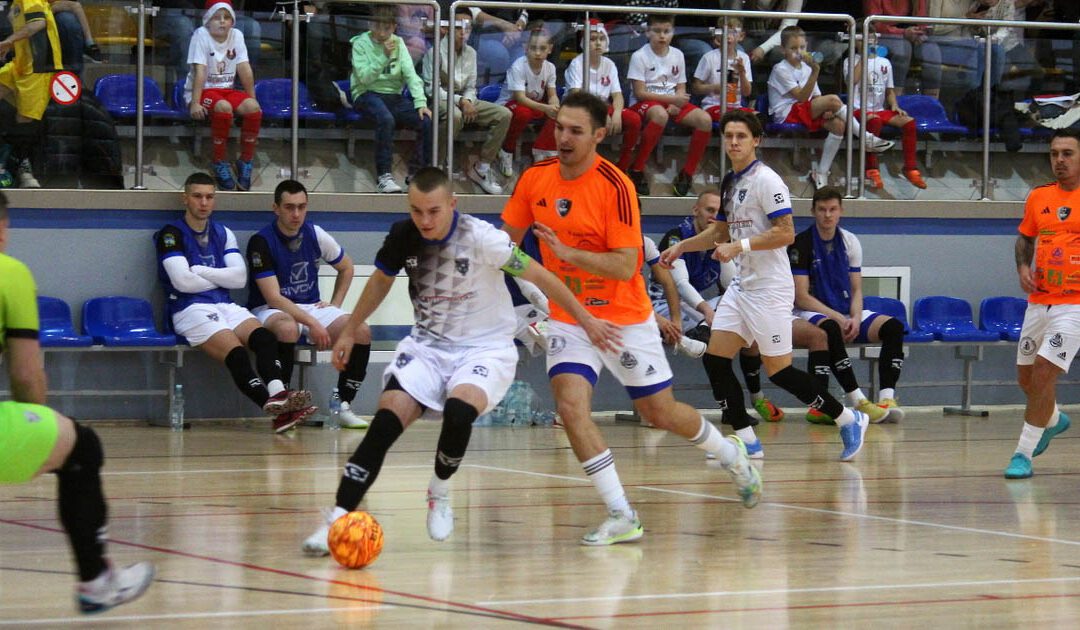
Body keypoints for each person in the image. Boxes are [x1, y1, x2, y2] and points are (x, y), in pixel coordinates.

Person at [302, 167, 623, 552]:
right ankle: (337, 518)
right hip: (427, 347)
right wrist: (352, 328)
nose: (424, 220)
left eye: (433, 211)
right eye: (417, 211)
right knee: (384, 425)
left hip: (484, 349)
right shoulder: (403, 235)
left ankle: (439, 491)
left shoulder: (484, 238)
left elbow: (542, 276)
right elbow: (380, 281)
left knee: (458, 412)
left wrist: (584, 318)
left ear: (453, 204)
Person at [502, 91, 762, 546]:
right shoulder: (534, 179)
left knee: (658, 412)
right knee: (570, 408)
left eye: (575, 131)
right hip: (569, 318)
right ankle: (621, 514)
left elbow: (626, 265)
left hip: (624, 318)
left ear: (599, 135)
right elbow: (505, 247)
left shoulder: (616, 186)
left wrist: (567, 254)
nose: (563, 137)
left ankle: (730, 453)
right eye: (560, 127)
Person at [660, 109, 871, 462]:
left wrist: (738, 247)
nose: (733, 142)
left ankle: (848, 418)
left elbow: (785, 232)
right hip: (743, 287)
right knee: (716, 359)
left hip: (771, 289)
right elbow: (719, 232)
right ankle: (747, 439)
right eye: (728, 136)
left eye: (741, 136)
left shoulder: (768, 181)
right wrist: (682, 246)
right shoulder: (730, 181)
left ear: (756, 140)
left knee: (781, 372)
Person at [0, 191, 156, 613]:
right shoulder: (9, 273)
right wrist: (43, 426)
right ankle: (96, 581)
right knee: (81, 446)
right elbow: (26, 373)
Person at [155, 172, 315, 433]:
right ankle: (277, 411)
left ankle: (279, 395)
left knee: (264, 340)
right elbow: (182, 282)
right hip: (189, 307)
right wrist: (220, 278)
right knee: (237, 353)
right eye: (197, 196)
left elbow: (239, 279)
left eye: (209, 196)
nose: (204, 202)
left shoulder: (223, 233)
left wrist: (201, 272)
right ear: (185, 199)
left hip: (224, 303)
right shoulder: (170, 234)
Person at [246, 179, 373, 429]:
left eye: (301, 207)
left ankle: (343, 404)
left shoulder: (315, 233)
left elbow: (346, 267)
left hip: (311, 305)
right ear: (276, 208)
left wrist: (334, 305)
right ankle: (285, 404)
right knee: (287, 328)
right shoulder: (261, 241)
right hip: (271, 309)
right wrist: (312, 322)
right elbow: (273, 297)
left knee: (361, 330)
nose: (296, 214)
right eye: (290, 207)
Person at [655, 190, 786, 425]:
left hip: (696, 309)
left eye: (719, 212)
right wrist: (707, 311)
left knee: (744, 325)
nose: (714, 216)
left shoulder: (720, 240)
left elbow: (731, 283)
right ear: (696, 210)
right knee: (715, 340)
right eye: (709, 210)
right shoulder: (677, 237)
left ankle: (756, 397)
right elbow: (680, 285)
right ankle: (729, 407)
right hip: (667, 305)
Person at [1004, 128, 1080, 479]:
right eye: (1054, 154)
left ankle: (1023, 454)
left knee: (1045, 372)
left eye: (1067, 153)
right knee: (1027, 378)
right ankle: (1052, 419)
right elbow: (1025, 238)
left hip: (1075, 306)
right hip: (1039, 302)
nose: (1059, 160)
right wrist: (1022, 266)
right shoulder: (1038, 197)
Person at [789, 186, 902, 423]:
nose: (827, 215)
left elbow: (857, 289)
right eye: (822, 210)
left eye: (832, 209)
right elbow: (801, 296)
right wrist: (841, 319)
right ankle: (858, 400)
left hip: (844, 310)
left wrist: (856, 318)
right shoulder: (800, 244)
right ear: (813, 211)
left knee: (893, 327)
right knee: (829, 329)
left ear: (841, 211)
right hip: (810, 311)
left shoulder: (850, 241)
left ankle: (887, 398)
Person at [767, 25, 893, 190]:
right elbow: (801, 97)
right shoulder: (780, 69)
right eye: (793, 48)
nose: (799, 52)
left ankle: (821, 172)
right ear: (783, 50)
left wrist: (825, 109)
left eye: (802, 47)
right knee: (834, 99)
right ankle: (865, 138)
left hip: (805, 109)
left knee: (838, 125)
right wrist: (815, 72)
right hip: (786, 112)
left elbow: (816, 96)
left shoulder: (806, 67)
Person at [421, 11, 511, 195]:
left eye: (468, 28)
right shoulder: (434, 52)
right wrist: (460, 101)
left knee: (504, 114)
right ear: (448, 28)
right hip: (441, 99)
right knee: (455, 115)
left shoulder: (471, 53)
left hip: (465, 99)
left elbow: (471, 86)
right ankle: (438, 167)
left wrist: (467, 100)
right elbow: (432, 90)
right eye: (460, 27)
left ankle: (482, 168)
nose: (464, 32)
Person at [626, 13, 714, 197]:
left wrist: (678, 102)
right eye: (657, 31)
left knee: (704, 120)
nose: (662, 36)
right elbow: (639, 92)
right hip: (645, 103)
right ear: (647, 32)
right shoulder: (639, 55)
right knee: (660, 114)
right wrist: (673, 101)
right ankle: (637, 169)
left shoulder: (678, 54)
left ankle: (687, 174)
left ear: (673, 32)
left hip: (671, 101)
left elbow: (680, 87)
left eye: (667, 31)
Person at [351, 5, 432, 194]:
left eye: (386, 28)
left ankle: (417, 173)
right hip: (365, 93)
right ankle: (384, 176)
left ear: (394, 27)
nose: (381, 33)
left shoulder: (399, 43)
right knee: (386, 119)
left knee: (426, 121)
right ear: (370, 24)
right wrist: (383, 57)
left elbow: (411, 74)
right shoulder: (360, 43)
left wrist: (420, 102)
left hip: (393, 96)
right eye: (377, 27)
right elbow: (364, 78)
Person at [183, 0, 263, 191]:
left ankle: (245, 161)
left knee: (253, 108)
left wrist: (252, 98)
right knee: (224, 108)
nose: (222, 22)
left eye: (226, 17)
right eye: (217, 17)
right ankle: (219, 161)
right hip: (203, 91)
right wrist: (194, 103)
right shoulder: (200, 35)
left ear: (232, 21)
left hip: (227, 90)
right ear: (208, 20)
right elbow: (200, 71)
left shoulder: (237, 35)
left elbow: (244, 68)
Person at [844, 35, 927, 190]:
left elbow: (890, 91)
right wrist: (864, 58)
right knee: (874, 120)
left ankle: (910, 168)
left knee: (909, 122)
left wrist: (894, 105)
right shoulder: (850, 61)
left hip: (879, 109)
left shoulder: (885, 63)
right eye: (864, 40)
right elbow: (851, 82)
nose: (868, 43)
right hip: (857, 110)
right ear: (856, 41)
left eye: (871, 40)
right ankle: (871, 167)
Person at [564, 19, 644, 177]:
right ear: (584, 43)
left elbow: (617, 95)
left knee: (633, 119)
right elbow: (576, 95)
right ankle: (584, 163)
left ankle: (623, 165)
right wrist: (601, 113)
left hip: (604, 107)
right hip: (580, 107)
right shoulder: (577, 63)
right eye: (593, 39)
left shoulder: (609, 64)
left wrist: (617, 113)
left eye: (601, 39)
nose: (598, 43)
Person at [0, 0, 64, 189]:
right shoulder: (15, 6)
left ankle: (18, 167)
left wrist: (9, 41)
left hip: (39, 69)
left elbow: (38, 24)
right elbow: (26, 34)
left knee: (24, 121)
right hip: (19, 65)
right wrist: (10, 46)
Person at [496, 26, 559, 176]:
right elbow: (520, 98)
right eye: (533, 48)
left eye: (542, 48)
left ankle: (542, 153)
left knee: (557, 113)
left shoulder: (550, 68)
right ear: (526, 48)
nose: (537, 53)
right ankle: (506, 151)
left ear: (550, 49)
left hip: (533, 105)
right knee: (523, 113)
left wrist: (555, 104)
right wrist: (546, 108)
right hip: (509, 104)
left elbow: (552, 94)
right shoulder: (519, 65)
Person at [692, 17, 754, 120]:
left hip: (736, 107)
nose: (728, 36)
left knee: (758, 118)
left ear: (741, 36)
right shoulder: (709, 57)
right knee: (733, 117)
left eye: (733, 32)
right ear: (718, 35)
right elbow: (696, 88)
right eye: (724, 32)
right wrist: (715, 87)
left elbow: (746, 92)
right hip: (713, 106)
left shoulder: (744, 58)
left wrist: (742, 73)